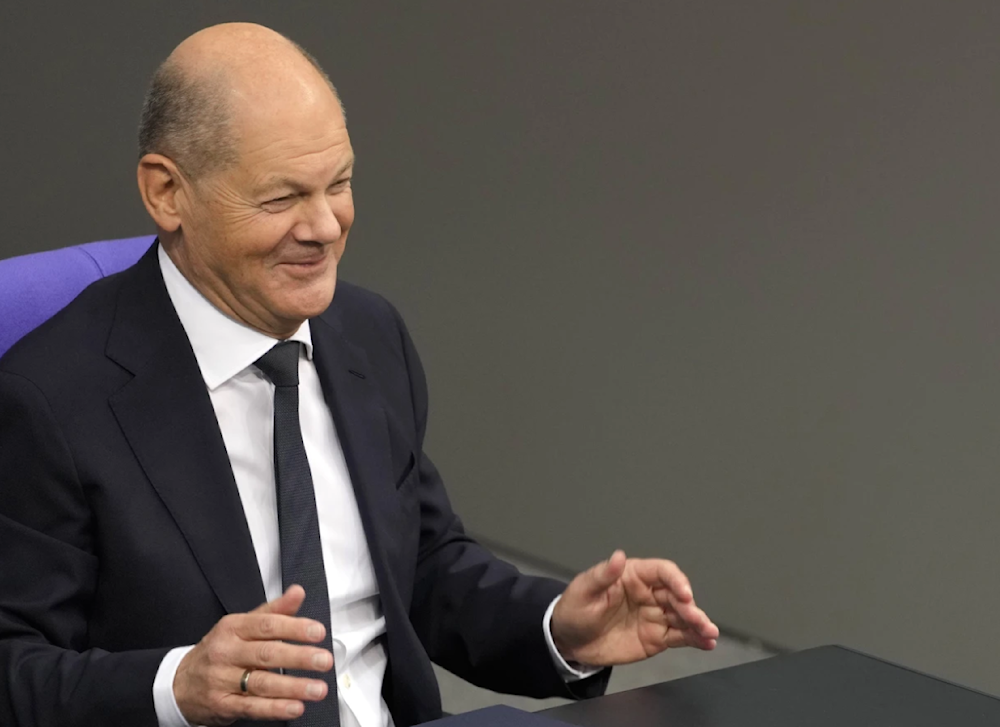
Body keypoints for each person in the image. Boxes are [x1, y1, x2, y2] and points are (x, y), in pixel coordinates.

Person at [0, 23, 719, 727]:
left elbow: (424, 568)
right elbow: (13, 669)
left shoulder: (368, 335)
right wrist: (177, 685)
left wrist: (560, 628)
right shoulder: (50, 400)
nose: (324, 226)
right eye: (281, 198)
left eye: (338, 184)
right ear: (167, 193)